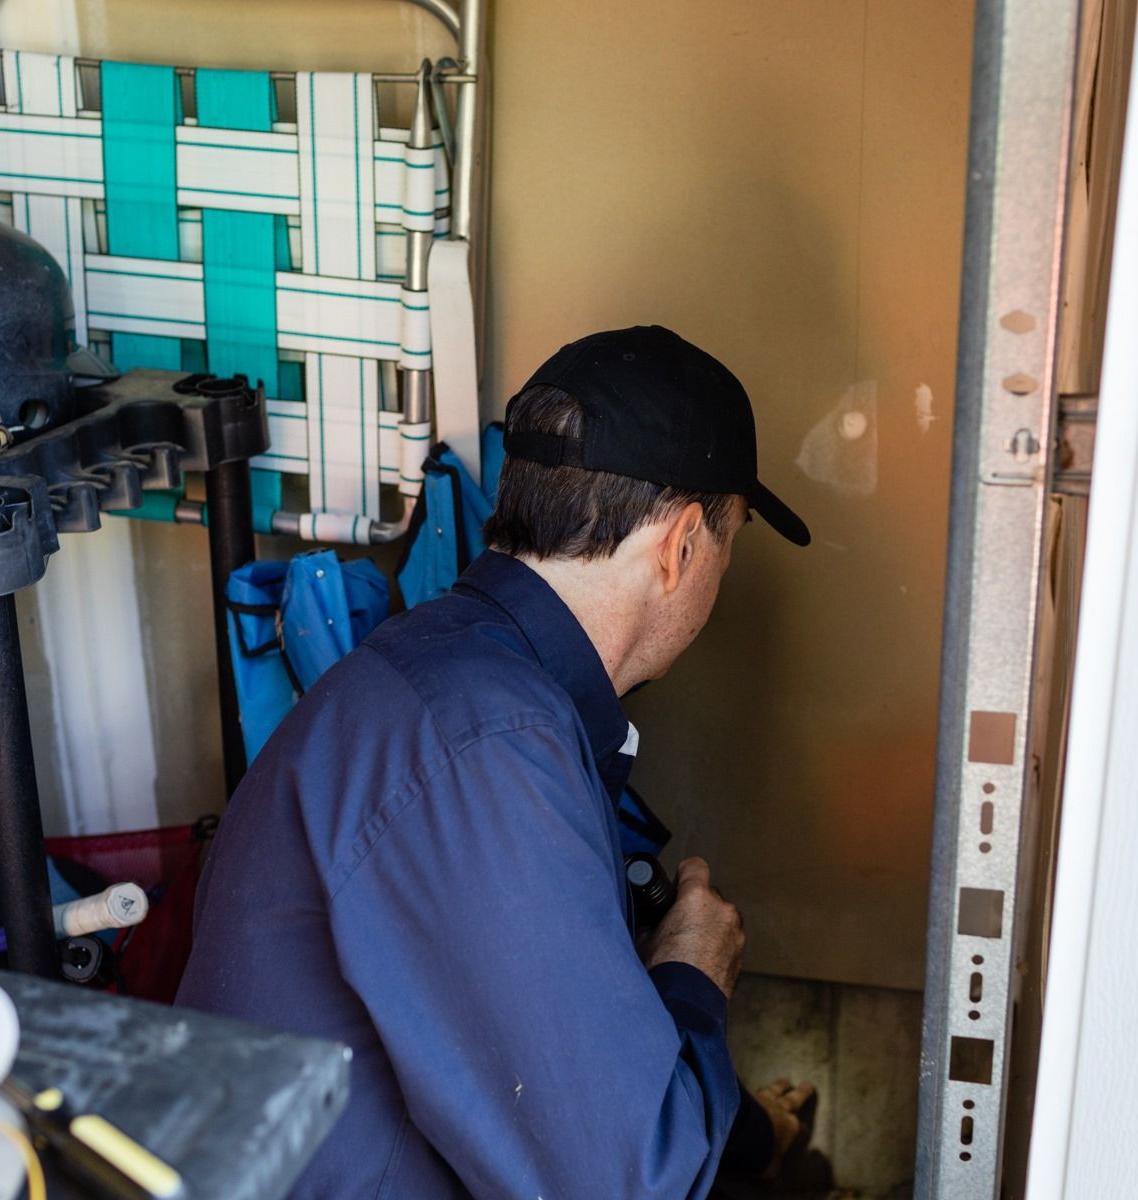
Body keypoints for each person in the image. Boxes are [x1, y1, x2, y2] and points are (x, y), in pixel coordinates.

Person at [178, 325, 816, 1199]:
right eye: (730, 540)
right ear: (679, 548)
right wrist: (693, 976)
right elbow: (625, 1184)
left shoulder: (465, 679)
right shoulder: (489, 743)